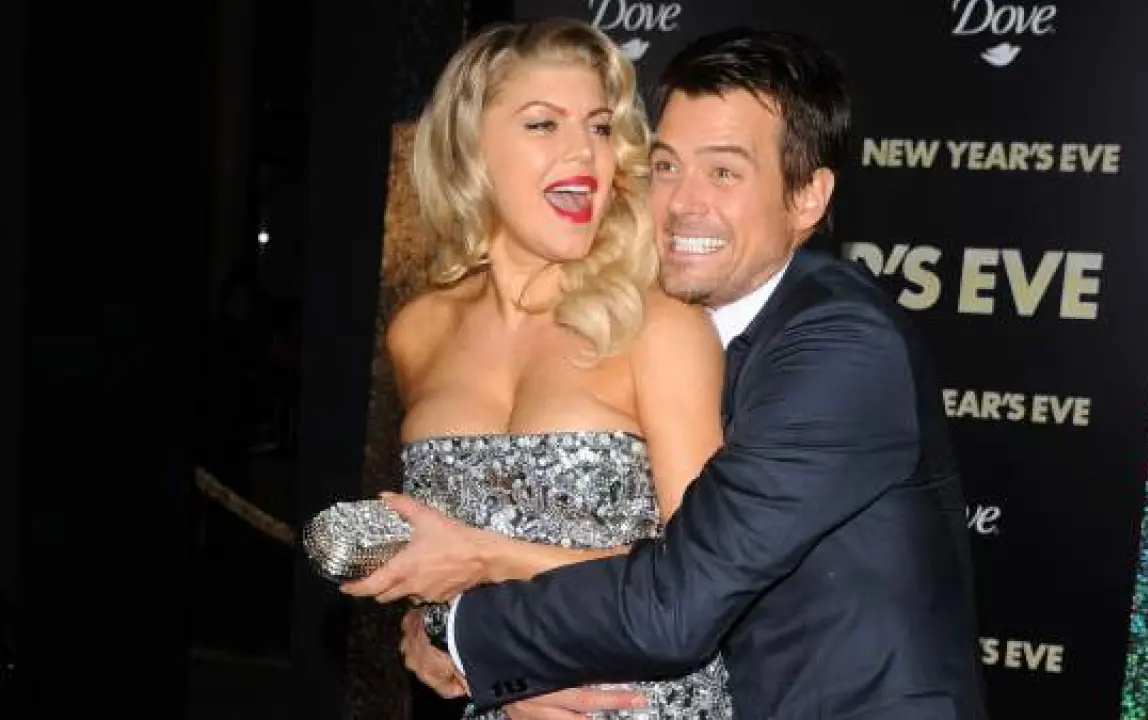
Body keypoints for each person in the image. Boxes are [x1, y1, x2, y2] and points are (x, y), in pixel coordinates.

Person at [360, 26, 989, 720]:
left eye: (724, 172)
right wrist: (449, 642)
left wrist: (469, 635)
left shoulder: (840, 345)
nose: (684, 201)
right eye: (666, 166)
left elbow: (680, 596)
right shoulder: (424, 330)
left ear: (807, 198)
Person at [339, 17, 734, 720]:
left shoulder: (658, 326)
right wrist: (435, 635)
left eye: (601, 127)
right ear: (471, 149)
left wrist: (485, 559)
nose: (584, 152)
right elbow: (439, 572)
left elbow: (701, 582)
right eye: (544, 124)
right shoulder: (418, 332)